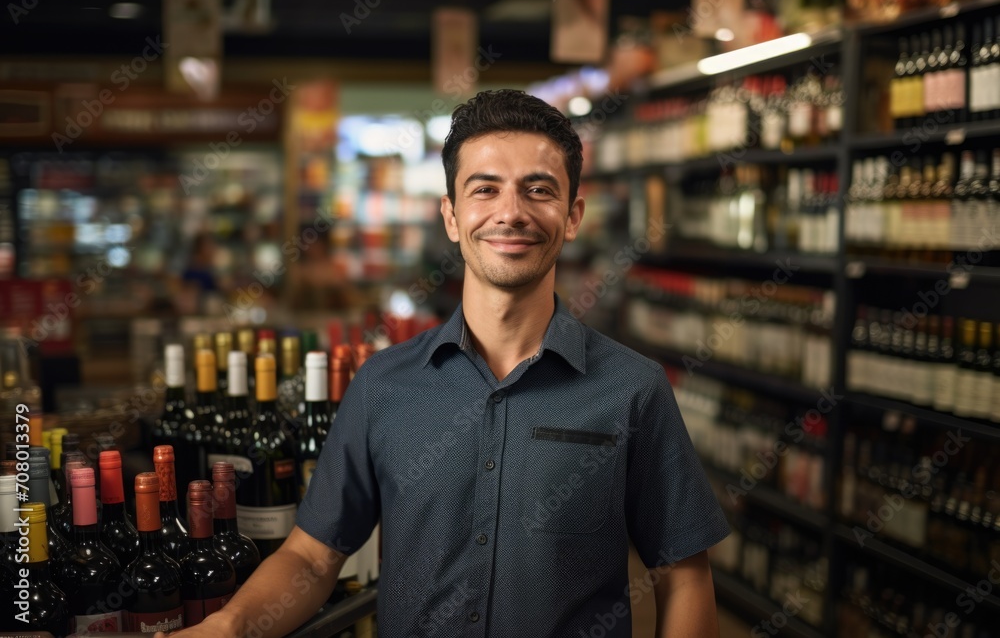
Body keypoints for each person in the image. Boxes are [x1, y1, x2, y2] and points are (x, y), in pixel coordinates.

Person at [161, 89, 729, 638]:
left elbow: (684, 579)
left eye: (539, 190)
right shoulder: (384, 385)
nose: (511, 212)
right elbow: (312, 557)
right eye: (485, 189)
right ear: (452, 216)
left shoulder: (632, 389)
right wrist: (226, 627)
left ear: (573, 215)